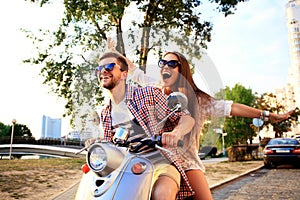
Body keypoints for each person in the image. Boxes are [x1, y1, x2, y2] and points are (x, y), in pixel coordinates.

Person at [125, 50, 294, 200]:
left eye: (172, 63)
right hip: (156, 160)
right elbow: (134, 72)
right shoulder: (155, 90)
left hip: (185, 161)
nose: (165, 67)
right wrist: (113, 54)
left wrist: (268, 115)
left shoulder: (198, 100)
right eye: (162, 63)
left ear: (182, 70)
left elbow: (231, 107)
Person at [93, 51, 195, 200]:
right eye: (99, 69)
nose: (103, 71)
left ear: (124, 74)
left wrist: (175, 133)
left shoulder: (147, 94)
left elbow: (186, 118)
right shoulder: (105, 113)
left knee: (162, 194)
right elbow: (111, 150)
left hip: (160, 164)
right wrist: (98, 146)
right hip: (129, 171)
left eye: (109, 66)